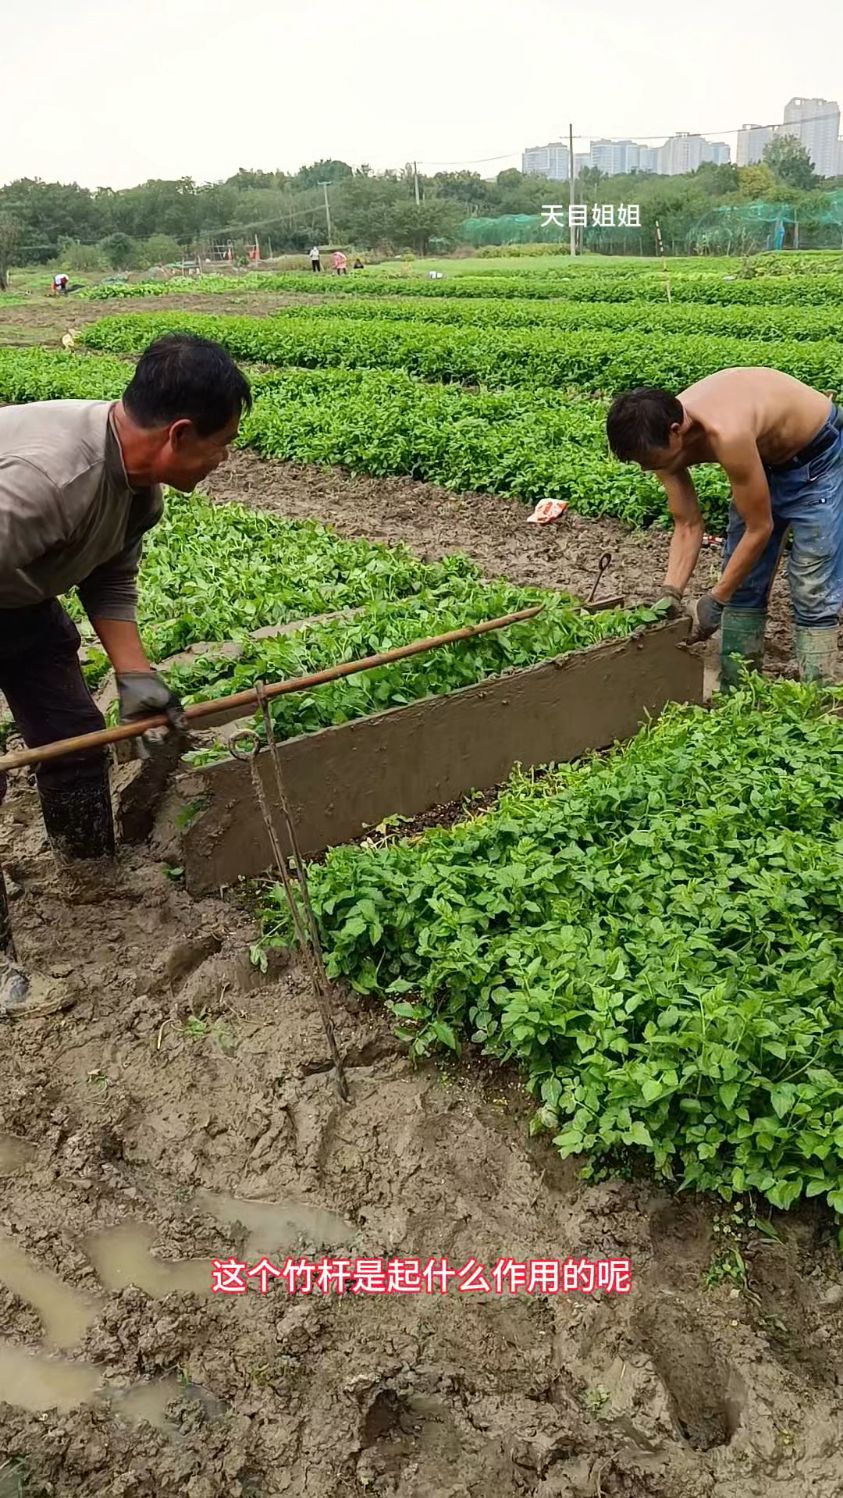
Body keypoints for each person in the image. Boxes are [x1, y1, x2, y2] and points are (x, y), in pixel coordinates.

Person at [0, 332, 251, 1018]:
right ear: (177, 434)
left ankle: (84, 867)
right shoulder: (43, 484)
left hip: (14, 593)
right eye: (222, 442)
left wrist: (134, 673)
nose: (224, 458)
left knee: (74, 733)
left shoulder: (137, 485)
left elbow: (108, 573)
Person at [606, 369, 843, 686]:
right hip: (763, 459)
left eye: (648, 459)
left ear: (676, 431)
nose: (646, 467)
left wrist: (714, 601)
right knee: (743, 584)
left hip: (820, 455)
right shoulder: (656, 443)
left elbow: (759, 528)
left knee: (812, 586)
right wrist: (670, 592)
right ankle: (737, 689)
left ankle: (819, 696)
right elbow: (687, 524)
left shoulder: (725, 432)